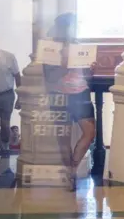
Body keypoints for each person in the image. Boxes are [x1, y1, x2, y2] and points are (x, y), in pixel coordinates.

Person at [42, 13, 97, 191]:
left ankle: (72, 168)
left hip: (81, 93)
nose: (74, 29)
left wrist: (90, 70)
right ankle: (69, 175)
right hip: (60, 95)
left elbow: (86, 76)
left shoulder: (79, 46)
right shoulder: (50, 49)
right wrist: (65, 65)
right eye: (71, 25)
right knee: (63, 138)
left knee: (89, 133)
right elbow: (49, 77)